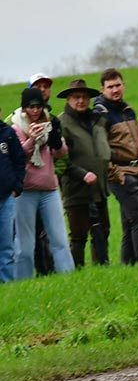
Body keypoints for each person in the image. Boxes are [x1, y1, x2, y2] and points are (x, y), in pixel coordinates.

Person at [11, 88, 74, 278]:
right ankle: (22, 281)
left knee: (60, 239)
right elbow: (19, 155)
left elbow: (60, 153)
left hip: (49, 189)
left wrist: (56, 137)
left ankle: (68, 277)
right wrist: (32, 139)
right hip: (26, 190)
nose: (35, 110)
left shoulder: (49, 121)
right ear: (24, 108)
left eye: (39, 106)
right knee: (25, 244)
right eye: (31, 107)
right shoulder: (16, 128)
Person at [94, 68, 138, 264]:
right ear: (102, 89)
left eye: (118, 85)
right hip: (121, 174)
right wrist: (115, 174)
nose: (115, 90)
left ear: (124, 85)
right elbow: (100, 150)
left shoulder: (128, 110)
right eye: (110, 87)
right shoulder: (100, 114)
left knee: (130, 223)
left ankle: (127, 263)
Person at [57, 79, 110, 268]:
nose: (81, 101)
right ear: (68, 99)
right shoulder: (61, 123)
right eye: (76, 97)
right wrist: (82, 174)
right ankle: (76, 270)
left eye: (85, 97)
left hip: (99, 187)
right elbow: (60, 160)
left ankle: (101, 268)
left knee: (103, 230)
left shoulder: (97, 120)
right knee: (79, 235)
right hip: (76, 188)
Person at [0, 110, 26, 283]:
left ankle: (6, 282)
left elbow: (19, 160)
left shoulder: (7, 133)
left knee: (7, 243)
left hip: (6, 197)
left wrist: (16, 187)